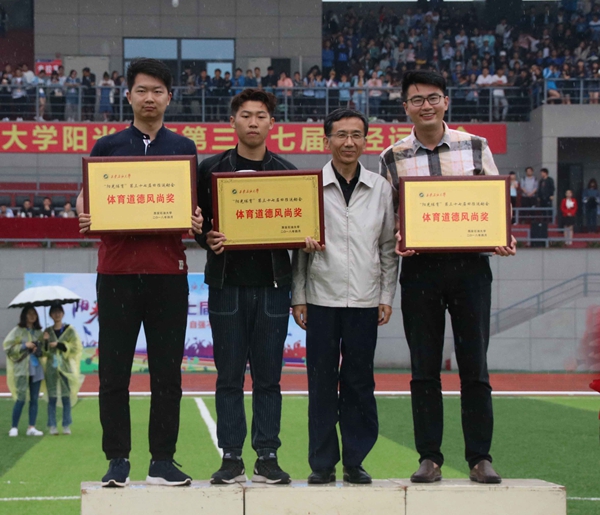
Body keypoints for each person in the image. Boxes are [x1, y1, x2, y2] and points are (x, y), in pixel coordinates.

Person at [379, 70, 516, 485]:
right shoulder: (391, 157)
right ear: (405, 107)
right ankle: (429, 458)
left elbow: (496, 201)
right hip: (419, 269)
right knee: (424, 368)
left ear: (446, 101)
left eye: (433, 97)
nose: (426, 106)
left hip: (470, 267)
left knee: (475, 366)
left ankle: (480, 458)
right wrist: (399, 236)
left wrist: (502, 234)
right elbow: (388, 217)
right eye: (417, 100)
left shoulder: (475, 145)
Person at [76, 58, 203, 488]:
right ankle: (117, 459)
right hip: (117, 274)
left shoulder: (183, 148)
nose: (150, 98)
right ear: (128, 95)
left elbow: (194, 206)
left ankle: (162, 461)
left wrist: (197, 219)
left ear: (169, 97)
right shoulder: (107, 147)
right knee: (113, 374)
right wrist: (84, 212)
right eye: (142, 90)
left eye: (158, 91)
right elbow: (85, 197)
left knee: (168, 374)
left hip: (168, 274)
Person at [291, 109, 397, 485]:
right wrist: (299, 296)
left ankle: (355, 460)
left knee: (359, 383)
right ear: (327, 140)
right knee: (321, 383)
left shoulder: (380, 188)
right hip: (321, 297)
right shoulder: (309, 185)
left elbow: (388, 248)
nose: (348, 142)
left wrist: (386, 294)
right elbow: (299, 249)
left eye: (356, 135)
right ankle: (322, 463)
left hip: (365, 300)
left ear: (366, 141)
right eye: (341, 135)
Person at [196, 89, 296, 485]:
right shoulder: (210, 170)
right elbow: (197, 222)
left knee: (269, 376)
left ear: (272, 123)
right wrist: (206, 238)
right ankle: (232, 456)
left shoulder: (287, 172)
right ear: (232, 121)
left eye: (260, 116)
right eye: (246, 115)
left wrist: (304, 235)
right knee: (229, 376)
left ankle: (267, 455)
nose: (253, 122)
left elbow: (299, 224)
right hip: (226, 285)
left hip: (273, 287)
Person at [4, 304, 45, 437]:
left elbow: (44, 351)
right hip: (22, 369)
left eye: (34, 313)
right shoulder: (17, 331)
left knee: (34, 399)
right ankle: (14, 427)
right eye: (29, 313)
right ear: (24, 315)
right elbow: (8, 347)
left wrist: (40, 347)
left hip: (36, 368)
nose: (32, 316)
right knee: (21, 398)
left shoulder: (39, 332)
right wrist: (24, 345)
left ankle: (31, 427)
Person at [42, 303, 82, 435]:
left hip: (65, 367)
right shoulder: (47, 331)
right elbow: (43, 351)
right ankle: (52, 425)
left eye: (59, 312)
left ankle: (66, 425)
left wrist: (59, 345)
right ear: (50, 315)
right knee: (52, 397)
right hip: (51, 367)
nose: (57, 314)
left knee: (66, 397)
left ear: (63, 314)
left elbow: (76, 347)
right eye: (54, 312)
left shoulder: (69, 330)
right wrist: (46, 341)